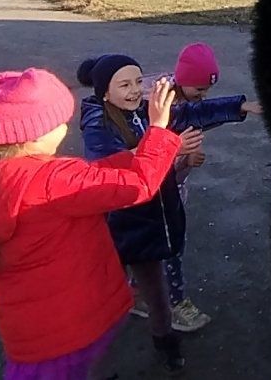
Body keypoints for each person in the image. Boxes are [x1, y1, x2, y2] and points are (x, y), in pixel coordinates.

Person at [0, 67, 183, 380]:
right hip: (70, 329)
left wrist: (138, 152)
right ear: (40, 131)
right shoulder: (53, 180)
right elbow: (138, 185)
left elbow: (91, 177)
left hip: (31, 332)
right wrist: (159, 128)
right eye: (62, 121)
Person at [77, 53, 253, 372]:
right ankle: (90, 357)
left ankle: (165, 342)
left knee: (157, 296)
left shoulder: (145, 110)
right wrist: (170, 143)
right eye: (124, 84)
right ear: (104, 92)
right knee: (102, 295)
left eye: (137, 81)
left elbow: (191, 112)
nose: (134, 90)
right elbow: (106, 166)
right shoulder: (96, 122)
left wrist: (240, 107)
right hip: (117, 225)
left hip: (148, 224)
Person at [144, 42, 263, 333]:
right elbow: (148, 154)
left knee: (150, 248)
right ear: (183, 79)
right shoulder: (162, 106)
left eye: (207, 89)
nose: (203, 95)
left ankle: (141, 292)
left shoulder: (177, 94)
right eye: (199, 89)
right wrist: (181, 157)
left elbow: (199, 111)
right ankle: (174, 303)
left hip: (168, 189)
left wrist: (240, 106)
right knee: (170, 247)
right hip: (156, 195)